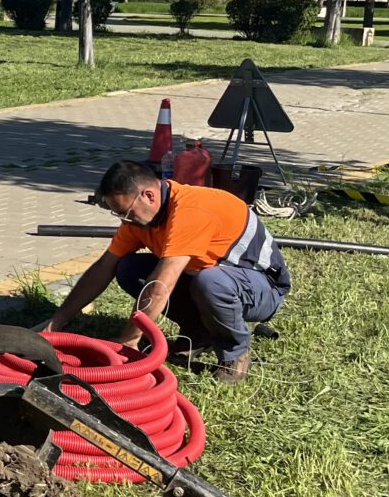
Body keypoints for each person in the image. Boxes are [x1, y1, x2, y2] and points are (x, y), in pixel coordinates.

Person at [44, 160, 288, 382]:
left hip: (263, 288)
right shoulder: (140, 220)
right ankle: (199, 333)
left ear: (149, 196)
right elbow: (103, 267)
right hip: (210, 280)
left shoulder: (191, 210)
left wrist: (129, 339)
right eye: (118, 214)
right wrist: (57, 321)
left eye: (126, 213)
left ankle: (234, 354)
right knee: (128, 267)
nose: (124, 221)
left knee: (210, 281)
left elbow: (162, 284)